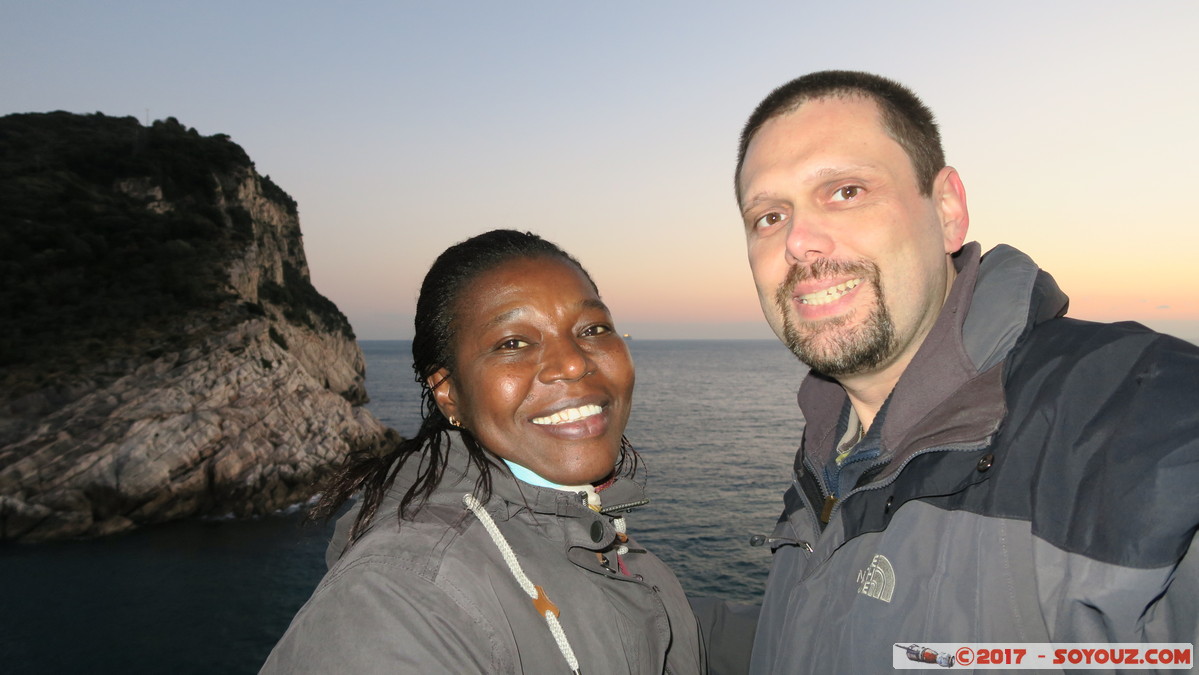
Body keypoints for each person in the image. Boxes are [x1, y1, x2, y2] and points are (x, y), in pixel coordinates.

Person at [730, 70, 1199, 672]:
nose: (798, 241)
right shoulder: (832, 458)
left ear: (948, 209)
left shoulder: (1141, 415)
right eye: (768, 217)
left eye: (846, 191)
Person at [261, 229, 705, 674]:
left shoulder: (593, 539)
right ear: (449, 393)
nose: (574, 362)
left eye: (593, 329)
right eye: (513, 343)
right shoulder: (401, 594)